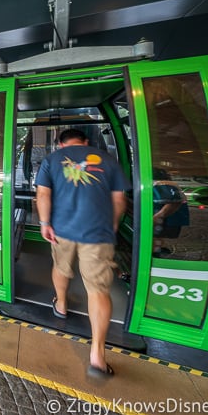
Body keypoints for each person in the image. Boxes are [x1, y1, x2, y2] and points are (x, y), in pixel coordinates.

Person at [35, 128, 128, 380]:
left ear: (60, 144)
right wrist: (113, 226)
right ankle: (97, 355)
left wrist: (45, 223)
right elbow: (119, 200)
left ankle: (62, 305)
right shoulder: (108, 161)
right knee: (98, 289)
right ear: (86, 141)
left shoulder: (51, 160)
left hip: (61, 229)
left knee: (61, 267)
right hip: (98, 232)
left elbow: (43, 194)